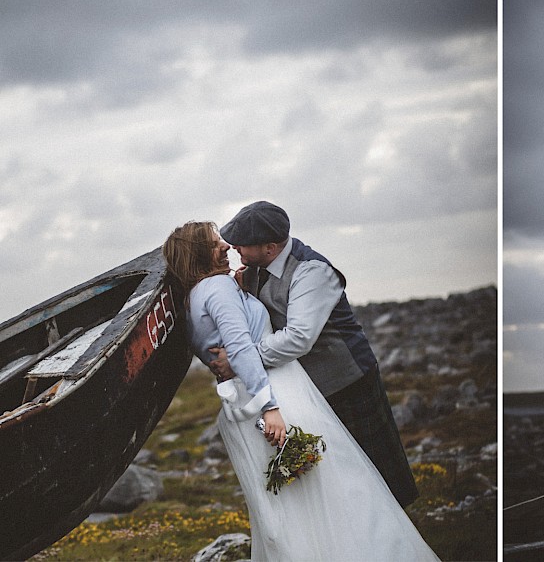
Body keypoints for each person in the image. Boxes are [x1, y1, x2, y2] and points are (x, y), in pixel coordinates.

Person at [162, 222, 438, 561]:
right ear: (200, 253)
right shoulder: (217, 287)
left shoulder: (192, 298)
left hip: (243, 404)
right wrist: (270, 408)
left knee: (296, 505)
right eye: (215, 241)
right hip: (277, 396)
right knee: (336, 487)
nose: (225, 245)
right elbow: (240, 348)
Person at [209, 200, 419, 509]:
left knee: (377, 470)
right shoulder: (255, 269)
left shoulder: (312, 271)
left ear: (269, 247)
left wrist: (241, 360)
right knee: (339, 474)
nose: (233, 246)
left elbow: (298, 339)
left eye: (243, 243)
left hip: (348, 382)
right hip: (311, 388)